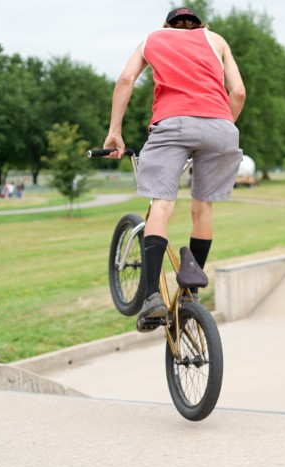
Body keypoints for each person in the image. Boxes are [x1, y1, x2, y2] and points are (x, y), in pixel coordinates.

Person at [102, 7, 245, 329]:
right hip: (222, 128)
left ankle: (152, 294)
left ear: (168, 26)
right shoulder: (216, 40)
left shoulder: (152, 38)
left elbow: (126, 79)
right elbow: (238, 92)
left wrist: (115, 132)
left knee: (162, 205)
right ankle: (189, 293)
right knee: (202, 207)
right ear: (199, 26)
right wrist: (219, 127)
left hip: (173, 123)